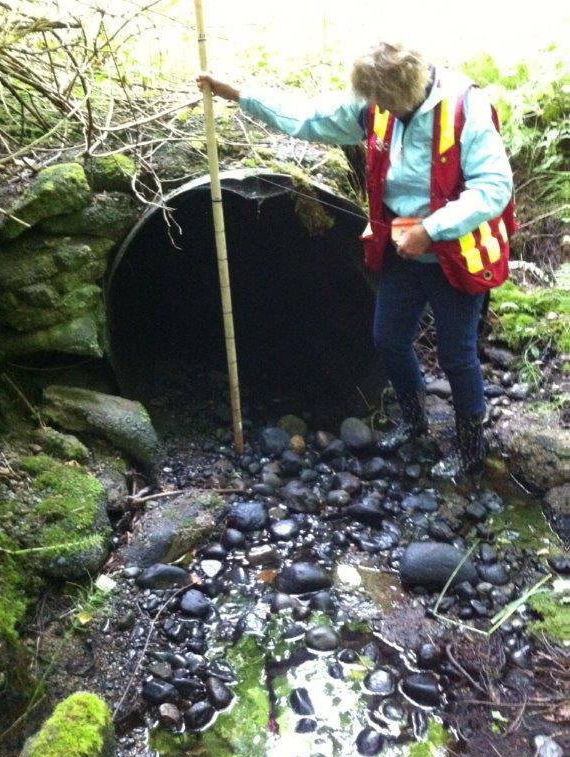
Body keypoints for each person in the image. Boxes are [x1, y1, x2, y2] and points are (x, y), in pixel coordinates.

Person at [197, 41, 514, 479]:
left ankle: (470, 446)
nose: (373, 109)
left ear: (403, 90)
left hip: (457, 254)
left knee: (456, 356)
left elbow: (494, 187)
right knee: (388, 339)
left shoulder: (466, 108)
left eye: (381, 100)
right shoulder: (375, 105)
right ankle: (415, 422)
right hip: (402, 249)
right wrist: (241, 96)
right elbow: (309, 119)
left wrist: (432, 230)